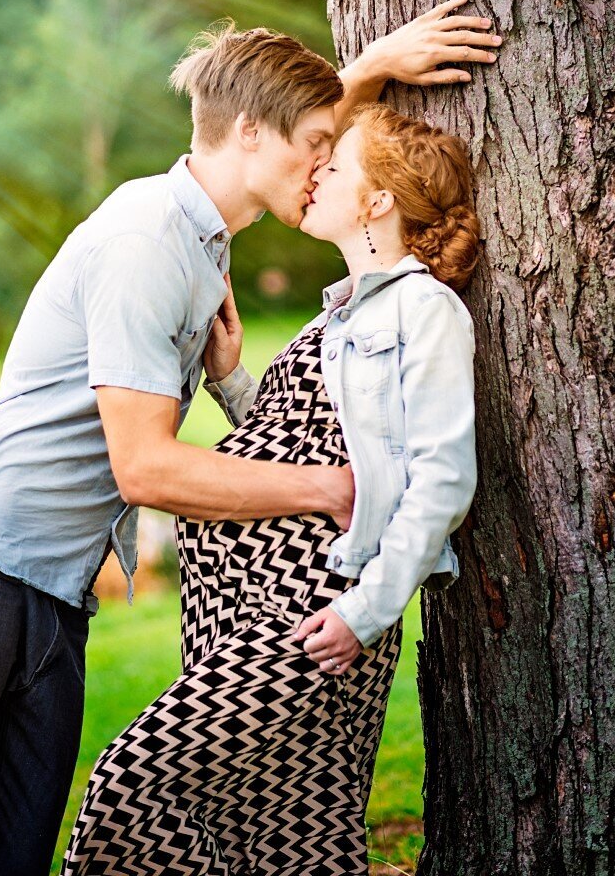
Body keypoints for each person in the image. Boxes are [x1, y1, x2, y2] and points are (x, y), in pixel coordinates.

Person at [0, 0, 500, 876]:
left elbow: (296, 137)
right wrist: (327, 490)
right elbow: (145, 468)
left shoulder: (208, 242)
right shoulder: (148, 242)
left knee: (11, 847)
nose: (321, 167)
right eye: (315, 146)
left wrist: (374, 66)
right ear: (247, 134)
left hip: (55, 585)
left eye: (331, 152)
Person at [62, 102, 480, 875]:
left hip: (312, 606)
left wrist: (364, 610)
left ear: (378, 200)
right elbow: (304, 439)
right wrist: (231, 380)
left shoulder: (425, 311)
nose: (316, 173)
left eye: (337, 165)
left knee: (132, 786)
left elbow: (442, 480)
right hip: (231, 599)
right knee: (285, 829)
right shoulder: (336, 315)